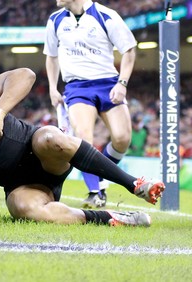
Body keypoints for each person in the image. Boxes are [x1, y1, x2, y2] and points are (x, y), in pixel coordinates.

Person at [0, 68, 165, 227]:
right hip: (23, 186)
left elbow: (25, 75)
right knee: (22, 209)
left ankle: (135, 184)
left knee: (50, 136)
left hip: (44, 154)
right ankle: (110, 218)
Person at [44, 0, 137, 208]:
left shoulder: (106, 15)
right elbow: (51, 57)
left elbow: (129, 49)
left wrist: (122, 83)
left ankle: (101, 176)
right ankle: (95, 192)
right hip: (77, 88)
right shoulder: (55, 20)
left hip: (109, 84)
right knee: (84, 138)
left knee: (122, 139)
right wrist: (52, 87)